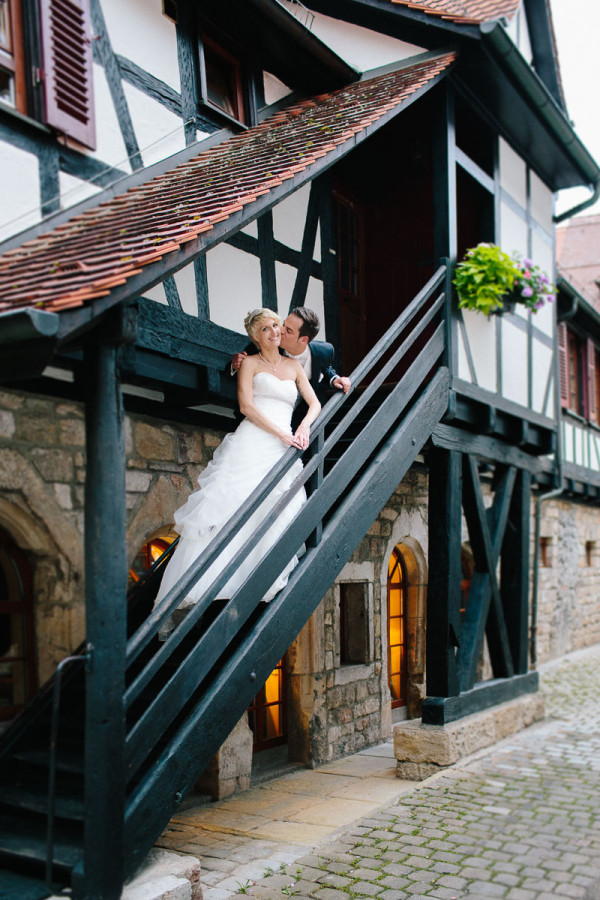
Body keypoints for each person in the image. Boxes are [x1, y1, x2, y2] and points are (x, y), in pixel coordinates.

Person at [155, 309, 321, 639]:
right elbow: (246, 406)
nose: (274, 331)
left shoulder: (292, 366)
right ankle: (205, 586)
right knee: (228, 506)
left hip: (285, 442)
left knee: (275, 509)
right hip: (255, 439)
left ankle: (261, 577)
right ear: (256, 336)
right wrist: (279, 433)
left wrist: (302, 428)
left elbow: (313, 403)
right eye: (266, 328)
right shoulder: (249, 363)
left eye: (276, 325)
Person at [231, 307, 351, 429]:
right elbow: (242, 366)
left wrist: (334, 378)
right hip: (258, 420)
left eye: (288, 330)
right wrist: (234, 365)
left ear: (303, 340)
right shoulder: (267, 343)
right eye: (283, 324)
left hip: (298, 418)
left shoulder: (324, 351)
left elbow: (325, 368)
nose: (280, 331)